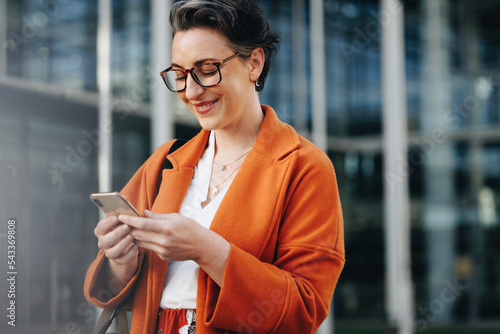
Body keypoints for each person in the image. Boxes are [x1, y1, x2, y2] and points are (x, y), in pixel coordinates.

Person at [84, 0, 345, 333]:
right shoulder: (164, 162)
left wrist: (205, 248)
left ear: (254, 63)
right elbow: (109, 293)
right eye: (179, 75)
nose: (191, 92)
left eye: (207, 69)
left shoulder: (303, 167)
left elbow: (303, 310)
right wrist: (122, 262)